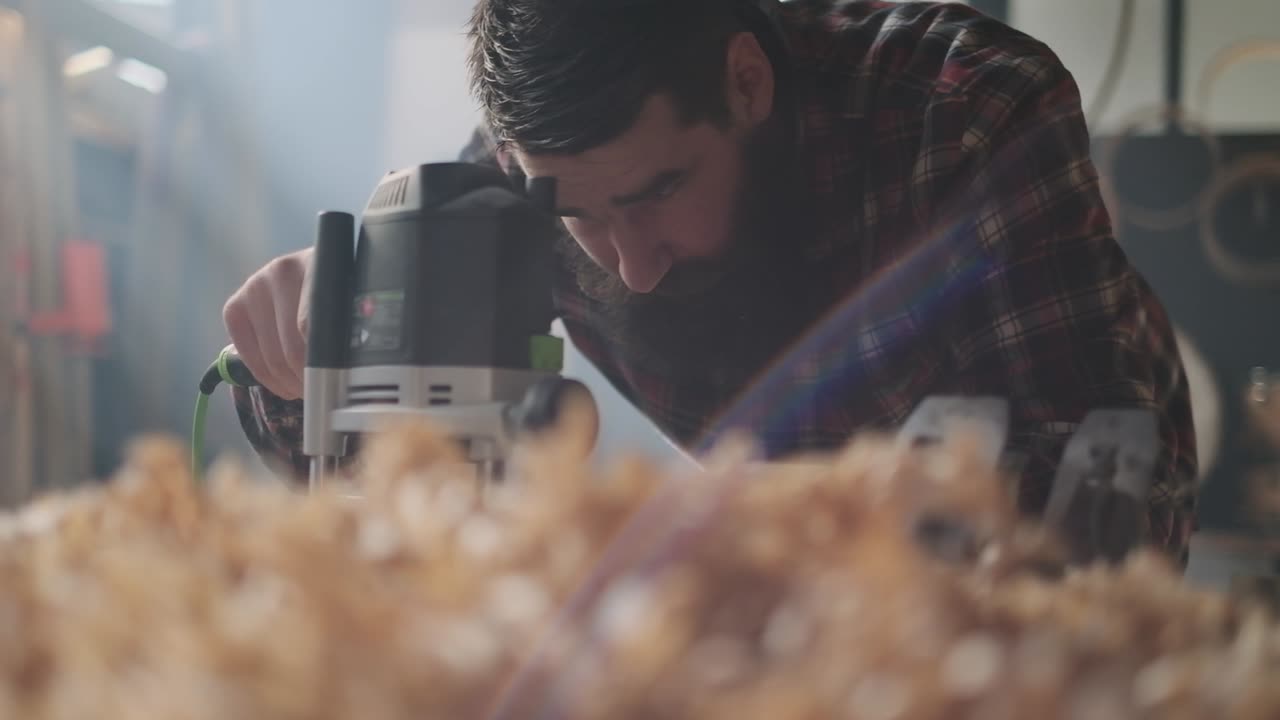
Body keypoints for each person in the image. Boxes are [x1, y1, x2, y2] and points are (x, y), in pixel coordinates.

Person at [222, 0, 1197, 565]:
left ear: (744, 81)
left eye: (656, 191)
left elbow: (1077, 475)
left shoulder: (964, 104)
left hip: (1041, 489)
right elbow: (370, 481)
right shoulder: (516, 192)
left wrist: (728, 550)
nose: (629, 266)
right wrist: (313, 351)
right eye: (577, 220)